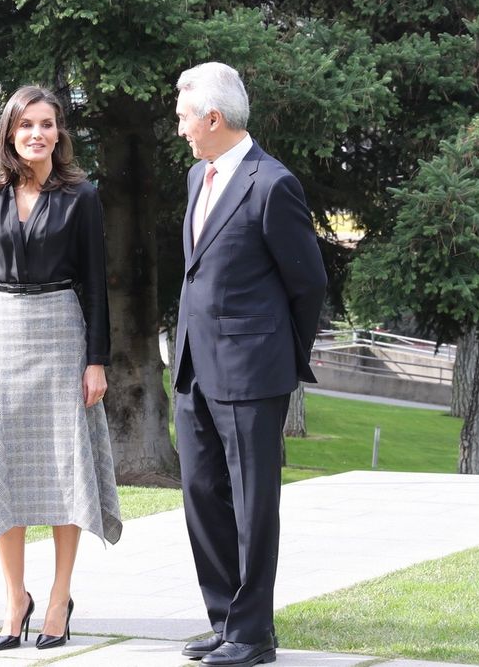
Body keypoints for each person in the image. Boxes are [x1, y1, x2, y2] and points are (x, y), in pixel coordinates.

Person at [172, 63, 327, 667]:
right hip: (193, 368)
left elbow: (307, 283)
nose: (180, 127)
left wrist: (282, 357)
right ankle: (225, 620)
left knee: (253, 503)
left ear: (214, 118)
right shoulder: (196, 176)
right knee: (201, 493)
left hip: (252, 373)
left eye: (185, 116)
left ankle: (254, 633)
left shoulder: (272, 184)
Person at [0, 86, 122, 652]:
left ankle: (59, 599)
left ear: (60, 132)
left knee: (63, 471)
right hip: (5, 331)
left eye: (47, 124)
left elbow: (96, 284)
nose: (37, 133)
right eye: (26, 124)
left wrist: (96, 360)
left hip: (61, 331)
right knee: (4, 467)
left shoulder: (82, 195)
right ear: (9, 132)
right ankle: (15, 598)